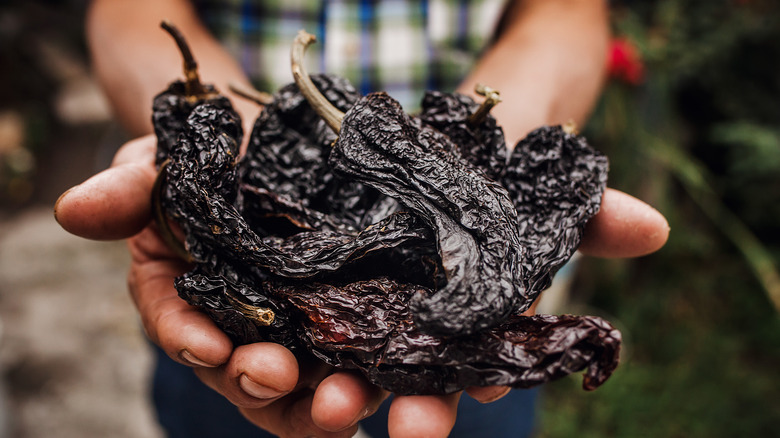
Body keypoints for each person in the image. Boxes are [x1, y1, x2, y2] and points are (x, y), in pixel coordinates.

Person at [54, 0, 670, 437]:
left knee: (464, 372)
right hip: (229, 351)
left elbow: (566, 11)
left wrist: (504, 132)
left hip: (475, 354)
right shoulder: (264, 172)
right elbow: (126, 11)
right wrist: (188, 145)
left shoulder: (417, 166)